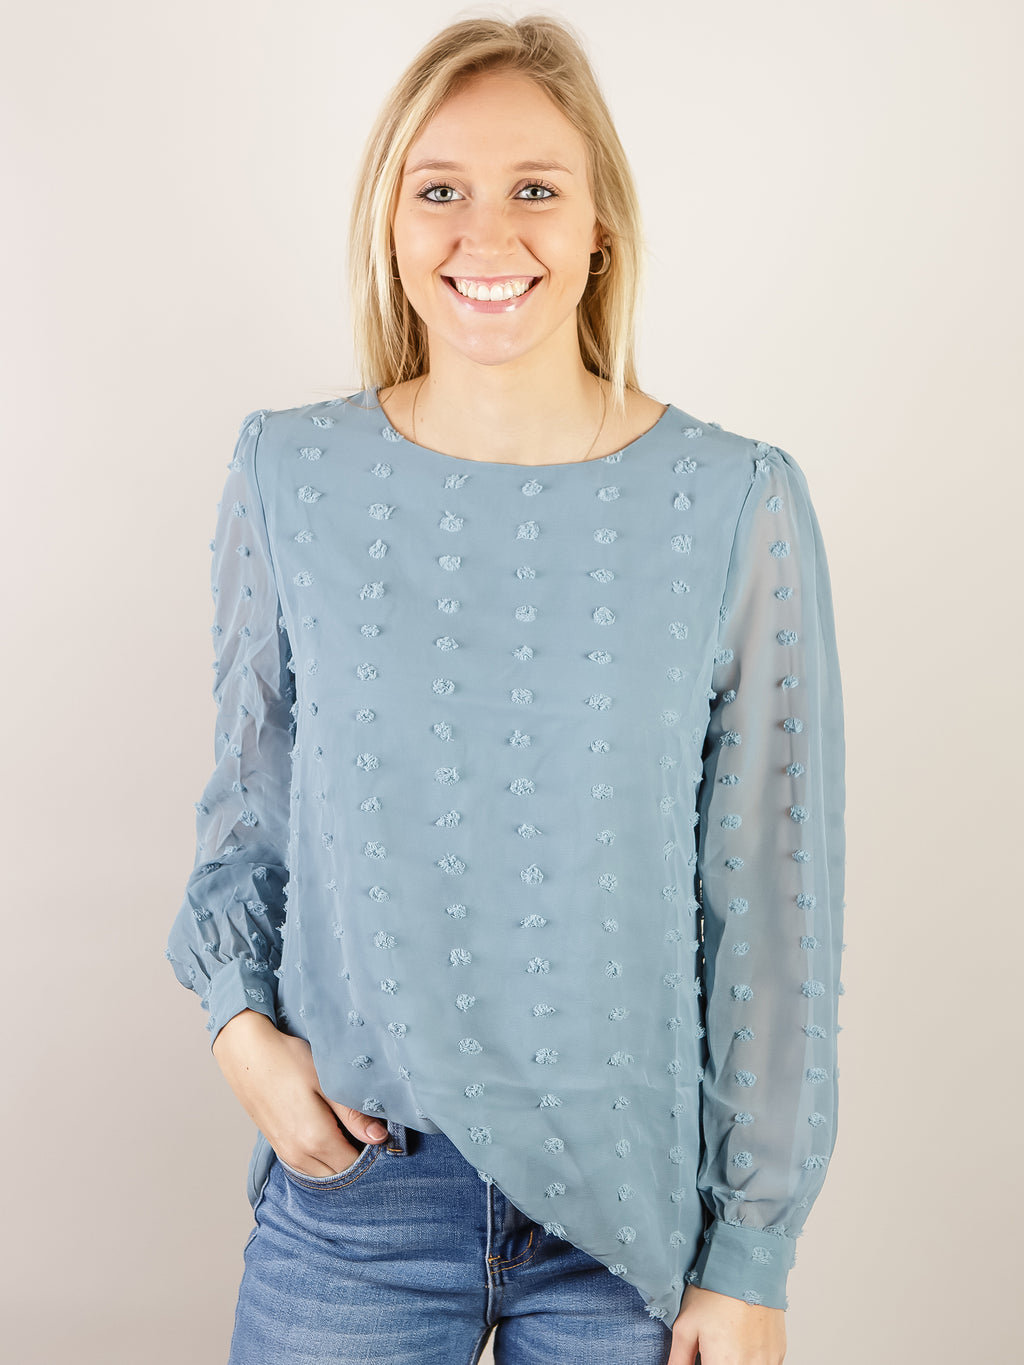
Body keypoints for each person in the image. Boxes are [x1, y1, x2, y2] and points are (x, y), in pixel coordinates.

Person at [165, 14, 846, 1365]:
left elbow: (773, 909)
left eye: (536, 187)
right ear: (390, 221)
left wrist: (752, 1256)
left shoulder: (736, 501)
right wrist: (242, 1031)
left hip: (630, 1234)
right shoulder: (290, 474)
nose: (489, 233)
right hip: (357, 1192)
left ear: (600, 228)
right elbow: (252, 805)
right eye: (441, 190)